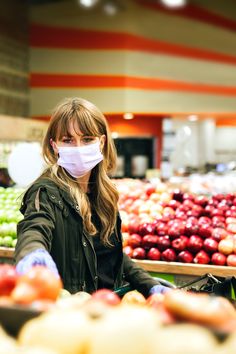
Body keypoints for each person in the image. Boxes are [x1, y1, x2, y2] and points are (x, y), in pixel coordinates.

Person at [14, 97, 170, 296]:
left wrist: (148, 284)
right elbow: (34, 229)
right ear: (55, 146)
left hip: (107, 306)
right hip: (70, 310)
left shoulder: (104, 193)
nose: (78, 147)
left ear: (101, 142)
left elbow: (110, 252)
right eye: (68, 140)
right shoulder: (46, 192)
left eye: (87, 139)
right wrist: (33, 253)